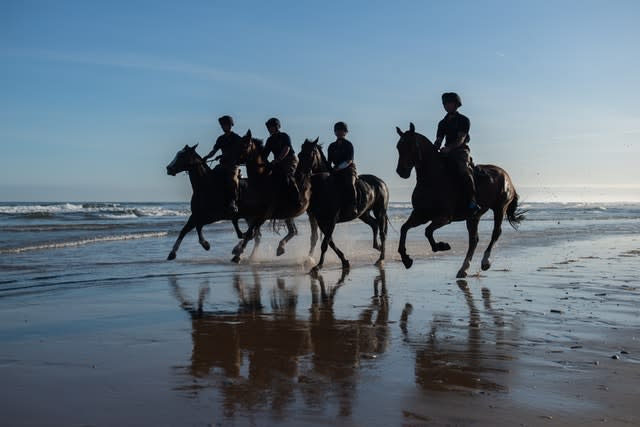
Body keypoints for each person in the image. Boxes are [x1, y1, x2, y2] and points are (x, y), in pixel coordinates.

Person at [433, 92, 480, 214]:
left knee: (464, 169)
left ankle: (473, 201)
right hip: (446, 151)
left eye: (449, 103)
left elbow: (461, 139)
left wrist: (449, 148)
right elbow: (439, 140)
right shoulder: (442, 123)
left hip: (461, 151)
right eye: (445, 104)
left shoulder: (464, 120)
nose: (446, 106)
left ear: (456, 105)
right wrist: (433, 148)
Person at [202, 115, 242, 214]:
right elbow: (214, 150)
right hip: (222, 165)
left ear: (230, 125)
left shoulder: (236, 138)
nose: (223, 127)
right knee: (211, 176)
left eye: (224, 125)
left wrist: (224, 155)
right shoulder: (220, 139)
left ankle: (233, 201)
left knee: (232, 179)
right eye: (222, 125)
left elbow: (238, 151)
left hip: (233, 165)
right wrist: (207, 157)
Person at [262, 117, 300, 207]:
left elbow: (287, 148)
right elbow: (264, 154)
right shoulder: (269, 140)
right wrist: (266, 163)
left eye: (271, 127)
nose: (269, 129)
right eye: (268, 128)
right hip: (278, 162)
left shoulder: (284, 136)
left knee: (288, 175)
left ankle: (297, 200)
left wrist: (278, 159)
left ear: (277, 127)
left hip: (290, 159)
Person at [327, 121, 358, 217]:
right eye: (337, 130)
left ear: (345, 132)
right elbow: (329, 161)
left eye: (341, 130)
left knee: (350, 184)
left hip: (348, 169)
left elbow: (349, 160)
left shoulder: (348, 144)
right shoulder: (332, 146)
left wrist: (338, 168)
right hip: (335, 169)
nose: (339, 132)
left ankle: (353, 206)